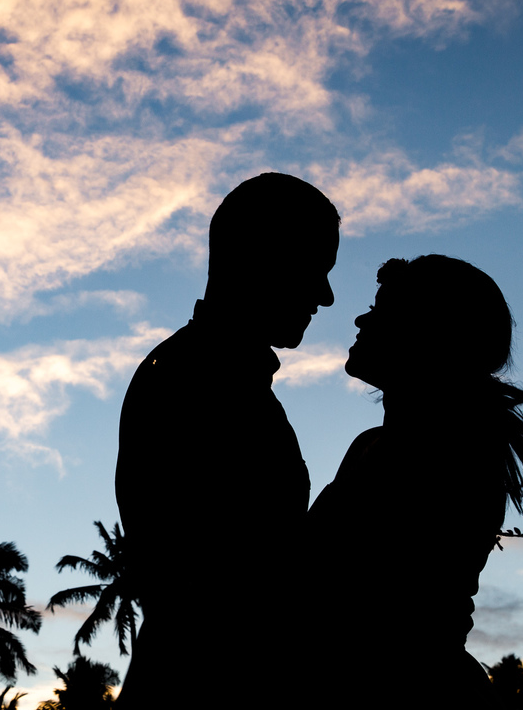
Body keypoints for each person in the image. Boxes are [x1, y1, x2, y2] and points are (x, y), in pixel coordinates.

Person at [115, 173, 340, 706]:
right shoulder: (200, 382)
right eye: (316, 269)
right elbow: (230, 587)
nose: (326, 296)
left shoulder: (208, 375)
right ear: (262, 258)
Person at [303, 255, 523, 709]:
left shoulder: (442, 457)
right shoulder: (381, 445)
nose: (361, 319)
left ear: (426, 334)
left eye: (382, 310)